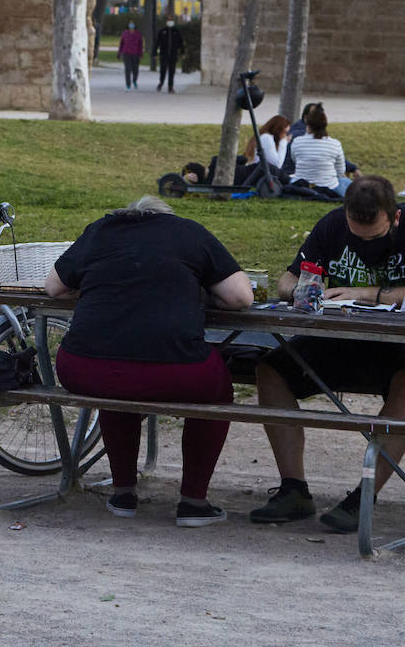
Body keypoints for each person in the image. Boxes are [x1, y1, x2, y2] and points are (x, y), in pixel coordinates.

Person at [45, 196, 255, 526]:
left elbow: (53, 287)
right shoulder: (190, 234)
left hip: (84, 367)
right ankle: (193, 502)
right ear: (165, 218)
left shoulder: (100, 231)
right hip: (174, 370)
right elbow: (241, 297)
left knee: (117, 384)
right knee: (216, 388)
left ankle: (123, 493)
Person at [250, 175, 405, 532]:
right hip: (347, 339)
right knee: (271, 370)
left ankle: (363, 498)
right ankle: (294, 490)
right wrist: (305, 290)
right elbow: (286, 280)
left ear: (395, 217)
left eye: (375, 237)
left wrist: (369, 293)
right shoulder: (333, 224)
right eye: (357, 237)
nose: (364, 243)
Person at [286, 104, 347, 197]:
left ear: (307, 123)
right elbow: (340, 171)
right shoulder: (335, 144)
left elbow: (295, 160)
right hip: (329, 186)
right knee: (347, 182)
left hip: (300, 184)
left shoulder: (297, 141)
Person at [154, 18, 183, 93]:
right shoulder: (162, 31)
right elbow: (157, 43)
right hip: (164, 54)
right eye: (169, 20)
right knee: (163, 69)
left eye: (171, 20)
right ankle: (161, 82)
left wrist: (182, 52)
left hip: (173, 54)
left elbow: (180, 43)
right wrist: (155, 53)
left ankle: (170, 86)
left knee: (172, 71)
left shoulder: (176, 31)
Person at [117, 20, 143, 90]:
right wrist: (119, 53)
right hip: (126, 53)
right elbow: (121, 44)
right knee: (128, 69)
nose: (131, 26)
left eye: (132, 24)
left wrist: (140, 54)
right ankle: (128, 84)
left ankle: (134, 80)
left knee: (135, 69)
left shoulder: (138, 34)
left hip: (135, 54)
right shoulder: (125, 33)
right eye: (130, 24)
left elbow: (140, 45)